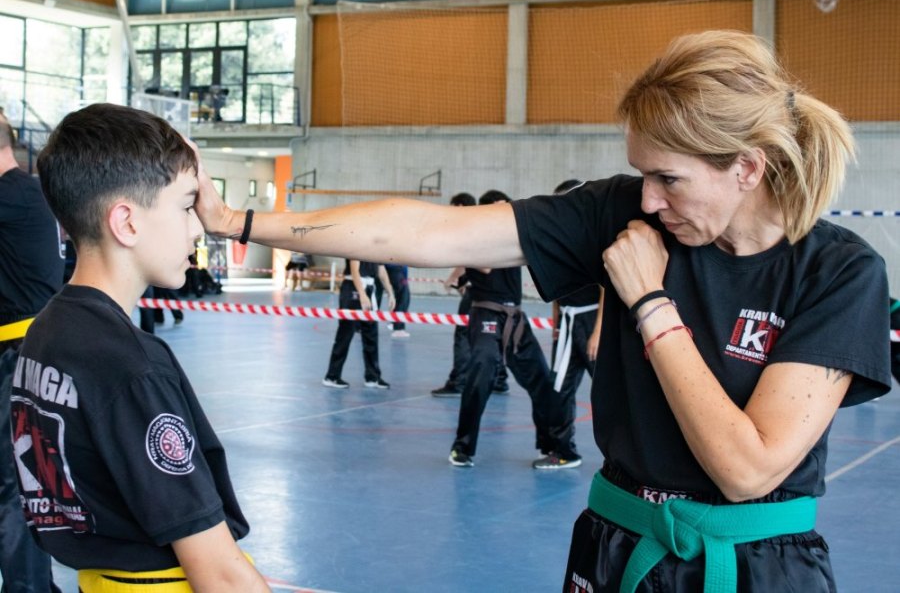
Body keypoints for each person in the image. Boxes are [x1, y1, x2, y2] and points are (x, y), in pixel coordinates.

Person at [195, 30, 891, 591]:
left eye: (669, 179)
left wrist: (649, 302)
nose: (649, 200)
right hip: (619, 545)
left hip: (753, 566)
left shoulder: (838, 273)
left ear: (747, 167)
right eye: (643, 175)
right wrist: (238, 222)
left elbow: (748, 468)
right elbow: (433, 233)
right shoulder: (623, 211)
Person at [12, 103, 268, 591]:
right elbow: (220, 574)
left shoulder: (46, 331)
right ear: (126, 223)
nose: (198, 227)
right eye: (186, 206)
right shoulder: (132, 366)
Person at [446, 189, 578, 468]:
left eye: (506, 208)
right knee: (480, 379)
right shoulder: (475, 239)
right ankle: (462, 447)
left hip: (516, 318)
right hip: (486, 314)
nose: (503, 215)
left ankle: (551, 446)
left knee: (542, 381)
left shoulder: (515, 237)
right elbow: (483, 266)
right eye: (497, 209)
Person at [0, 106, 62, 593]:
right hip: (23, 352)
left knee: (14, 487)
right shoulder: (27, 193)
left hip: (16, 357)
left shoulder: (13, 194)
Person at [545, 179, 604, 471]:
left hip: (591, 321)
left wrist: (598, 332)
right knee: (560, 388)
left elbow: (606, 288)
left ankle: (624, 459)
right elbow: (556, 289)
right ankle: (563, 451)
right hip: (568, 324)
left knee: (607, 391)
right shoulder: (559, 243)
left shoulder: (593, 240)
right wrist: (557, 324)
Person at [431, 192, 508, 398]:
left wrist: (454, 277)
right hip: (498, 295)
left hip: (484, 296)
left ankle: (459, 381)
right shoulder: (499, 230)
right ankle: (499, 379)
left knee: (464, 335)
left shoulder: (475, 228)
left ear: (462, 207)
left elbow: (477, 262)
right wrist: (462, 279)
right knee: (493, 337)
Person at [322, 259, 394, 389]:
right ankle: (332, 376)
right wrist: (362, 293)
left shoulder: (377, 250)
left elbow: (381, 270)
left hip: (369, 288)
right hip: (352, 289)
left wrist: (390, 293)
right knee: (345, 334)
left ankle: (372, 377)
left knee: (371, 334)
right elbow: (354, 269)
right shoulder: (358, 247)